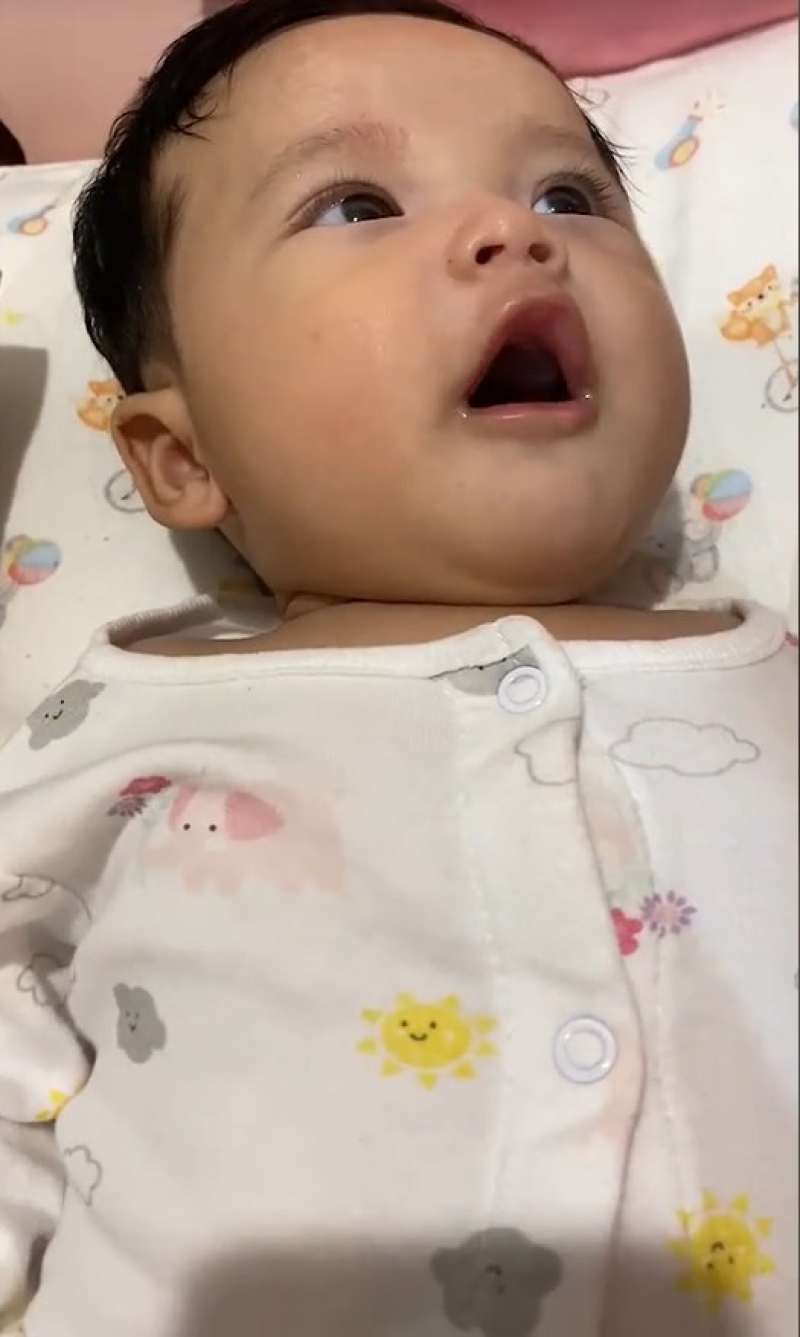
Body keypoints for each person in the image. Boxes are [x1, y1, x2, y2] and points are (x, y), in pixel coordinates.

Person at [0, 2, 796, 1334]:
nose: (516, 233)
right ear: (182, 459)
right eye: (356, 204)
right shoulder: (124, 720)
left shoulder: (767, 673)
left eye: (569, 195)